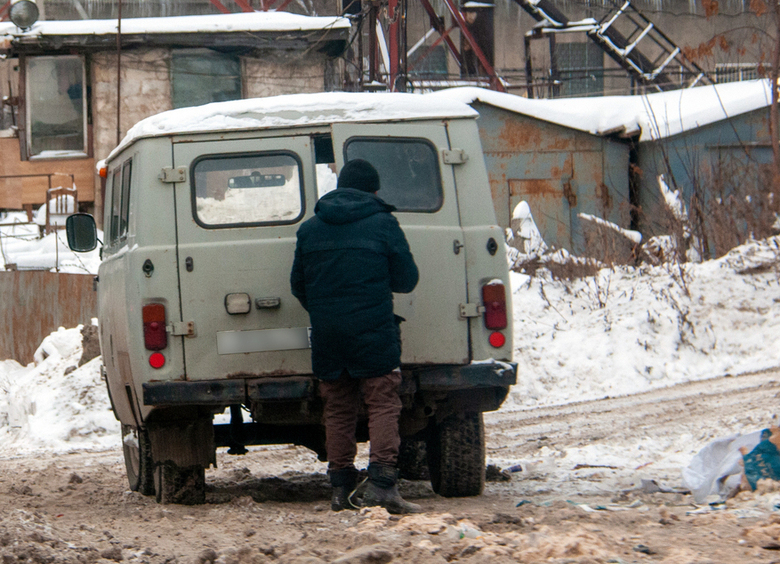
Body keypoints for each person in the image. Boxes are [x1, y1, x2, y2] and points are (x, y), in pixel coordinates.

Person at [290, 159, 421, 514]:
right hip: (373, 329)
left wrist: (325, 308)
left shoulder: (310, 229)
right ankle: (381, 485)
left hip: (329, 333)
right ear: (373, 191)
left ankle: (340, 487)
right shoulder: (383, 223)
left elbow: (297, 286)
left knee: (339, 407)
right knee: (382, 402)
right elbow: (407, 279)